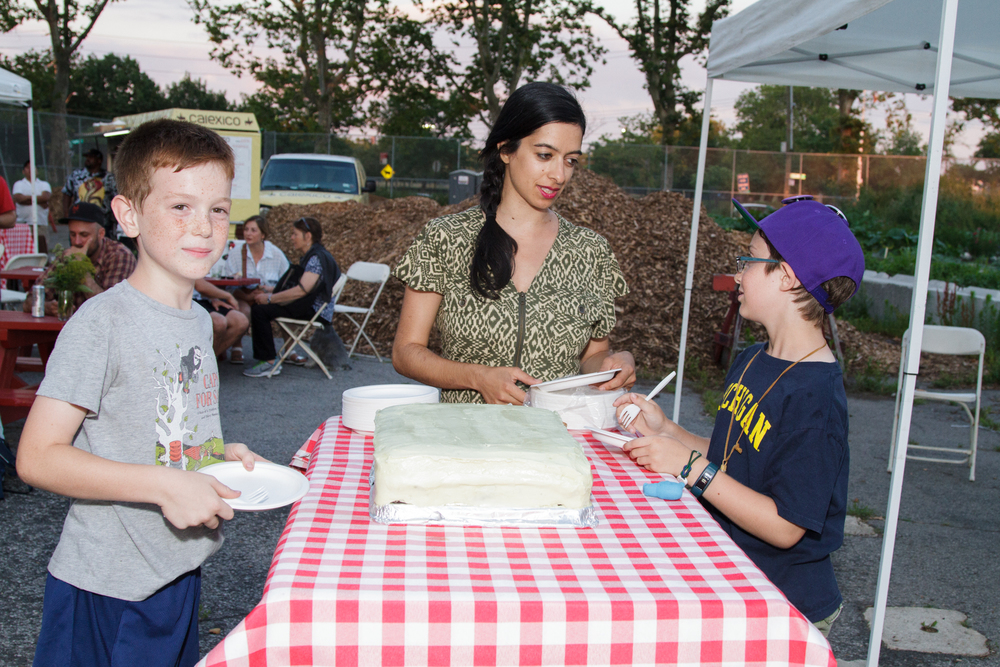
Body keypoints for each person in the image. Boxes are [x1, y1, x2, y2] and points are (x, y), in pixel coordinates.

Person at [17, 118, 264, 667]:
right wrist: (161, 485)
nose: (203, 226)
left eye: (218, 209)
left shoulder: (199, 321)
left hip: (174, 573)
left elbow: (161, 428)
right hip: (105, 585)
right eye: (180, 207)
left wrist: (217, 455)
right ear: (128, 215)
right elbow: (36, 457)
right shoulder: (102, 323)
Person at [613, 196, 865, 637]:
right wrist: (667, 431)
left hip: (785, 605)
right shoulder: (753, 358)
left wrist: (688, 468)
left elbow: (786, 526)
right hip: (736, 577)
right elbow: (735, 458)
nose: (737, 274)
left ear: (786, 277)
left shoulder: (816, 399)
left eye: (748, 260)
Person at [392, 82, 634, 404]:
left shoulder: (590, 251)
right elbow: (406, 352)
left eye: (570, 160)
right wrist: (477, 377)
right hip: (465, 438)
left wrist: (612, 366)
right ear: (506, 149)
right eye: (545, 155)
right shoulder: (446, 238)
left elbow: (593, 354)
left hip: (554, 438)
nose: (559, 175)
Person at [243, 216, 339, 377]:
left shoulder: (316, 258)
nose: (292, 238)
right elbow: (304, 287)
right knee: (264, 306)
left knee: (260, 310)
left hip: (314, 310)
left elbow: (302, 290)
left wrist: (269, 298)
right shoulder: (316, 255)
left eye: (295, 234)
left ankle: (268, 361)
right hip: (312, 306)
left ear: (307, 236)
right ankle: (279, 355)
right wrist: (272, 290)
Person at [23, 202, 136, 317]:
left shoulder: (119, 256)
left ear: (101, 234)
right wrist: (48, 307)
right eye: (72, 234)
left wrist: (81, 269)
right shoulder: (68, 255)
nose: (77, 241)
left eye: (84, 235)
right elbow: (29, 301)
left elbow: (110, 310)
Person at [224, 215, 289, 363]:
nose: (248, 233)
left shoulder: (276, 254)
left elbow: (286, 284)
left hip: (269, 298)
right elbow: (227, 286)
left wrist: (269, 292)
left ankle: (289, 349)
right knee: (243, 310)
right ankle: (237, 347)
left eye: (253, 230)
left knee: (286, 306)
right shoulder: (236, 254)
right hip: (243, 296)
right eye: (246, 229)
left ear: (263, 234)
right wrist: (247, 296)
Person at [62, 147, 118, 237]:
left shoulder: (109, 178)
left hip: (103, 221)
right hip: (80, 219)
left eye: (91, 157)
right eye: (87, 157)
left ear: (99, 160)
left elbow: (116, 197)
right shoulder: (76, 175)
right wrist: (66, 212)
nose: (87, 159)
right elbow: (67, 192)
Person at [193, 277, 250, 361]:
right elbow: (199, 285)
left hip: (203, 298)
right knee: (219, 322)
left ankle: (209, 361)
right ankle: (203, 365)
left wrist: (213, 297)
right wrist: (228, 296)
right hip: (188, 301)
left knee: (240, 321)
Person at [12, 160, 53, 251]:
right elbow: (19, 198)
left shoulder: (44, 184)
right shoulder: (19, 184)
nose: (30, 169)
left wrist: (26, 198)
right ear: (23, 171)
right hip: (23, 223)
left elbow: (46, 197)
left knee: (42, 248)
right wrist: (38, 200)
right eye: (27, 167)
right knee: (23, 249)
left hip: (40, 223)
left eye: (33, 167)